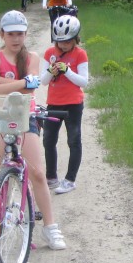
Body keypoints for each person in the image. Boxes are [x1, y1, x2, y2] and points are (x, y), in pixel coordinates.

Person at [0, 10, 68, 253]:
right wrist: (20, 83)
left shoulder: (31, 57)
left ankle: (50, 227)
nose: (16, 39)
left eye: (20, 34)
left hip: (25, 114)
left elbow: (29, 90)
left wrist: (5, 84)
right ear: (2, 34)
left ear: (26, 34)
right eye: (11, 34)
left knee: (38, 173)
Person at [40, 13, 89, 194]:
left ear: (75, 38)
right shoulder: (49, 53)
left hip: (73, 104)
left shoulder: (80, 54)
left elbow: (83, 82)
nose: (63, 45)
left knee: (73, 140)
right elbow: (43, 81)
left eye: (68, 41)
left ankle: (70, 180)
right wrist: (51, 71)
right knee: (48, 140)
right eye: (60, 42)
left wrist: (67, 71)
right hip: (54, 103)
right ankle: (51, 177)